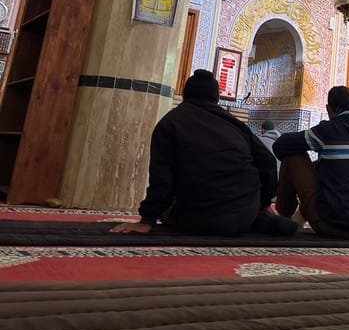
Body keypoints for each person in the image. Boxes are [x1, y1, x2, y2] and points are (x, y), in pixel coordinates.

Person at [110, 69, 296, 237]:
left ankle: (244, 220)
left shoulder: (170, 122)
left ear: (185, 94)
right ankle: (262, 220)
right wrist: (264, 203)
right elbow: (267, 162)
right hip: (243, 214)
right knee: (235, 215)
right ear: (216, 97)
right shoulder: (235, 124)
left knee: (173, 211)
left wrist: (147, 219)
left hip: (198, 217)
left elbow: (162, 178)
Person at [272, 85, 349, 239]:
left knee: (293, 154)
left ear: (328, 109)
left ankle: (284, 217)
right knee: (327, 170)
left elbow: (280, 145)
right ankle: (296, 220)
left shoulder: (327, 130)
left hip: (333, 225)